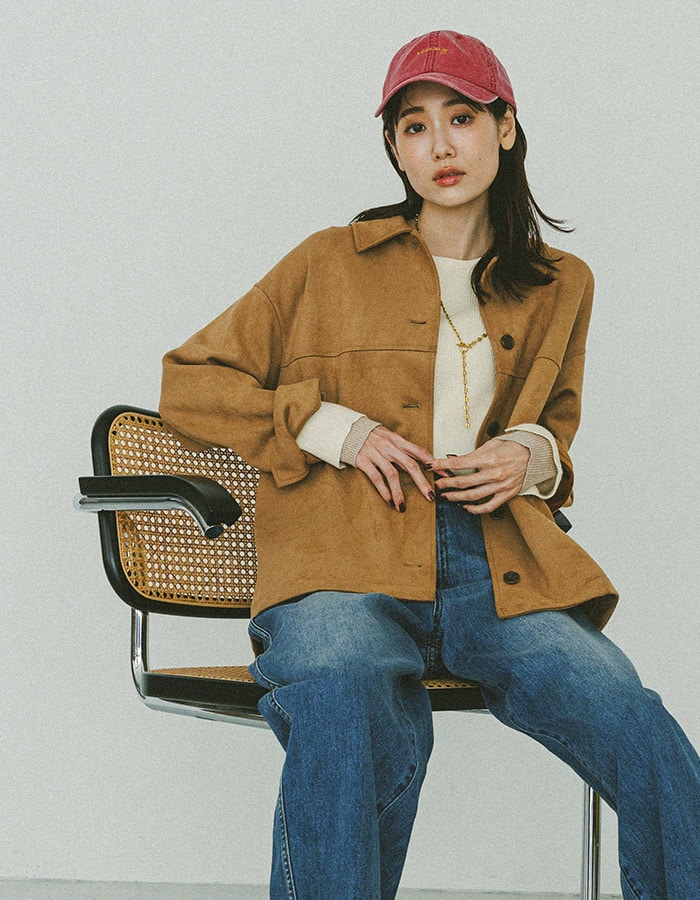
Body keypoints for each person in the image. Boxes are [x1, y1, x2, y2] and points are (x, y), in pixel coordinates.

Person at [159, 30, 699, 900]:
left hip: (496, 566)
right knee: (343, 687)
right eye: (414, 126)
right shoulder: (328, 261)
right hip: (346, 555)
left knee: (633, 720)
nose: (440, 145)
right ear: (394, 148)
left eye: (462, 118)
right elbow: (191, 380)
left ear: (506, 128)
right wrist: (335, 428)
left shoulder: (561, 282)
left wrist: (529, 454)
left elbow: (554, 429)